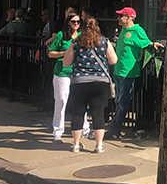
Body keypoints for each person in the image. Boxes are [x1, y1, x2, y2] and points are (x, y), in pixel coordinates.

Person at [62, 16, 118, 153]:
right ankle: (99, 145)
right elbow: (113, 60)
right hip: (100, 82)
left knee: (78, 113)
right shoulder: (104, 42)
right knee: (98, 113)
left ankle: (76, 144)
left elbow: (66, 63)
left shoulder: (76, 42)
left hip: (79, 82)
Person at [106, 7, 163, 139]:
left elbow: (147, 42)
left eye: (121, 16)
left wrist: (153, 44)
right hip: (119, 71)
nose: (118, 18)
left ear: (128, 17)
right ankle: (115, 127)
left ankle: (114, 129)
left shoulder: (137, 30)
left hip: (128, 73)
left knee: (123, 102)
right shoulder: (123, 31)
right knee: (118, 101)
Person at [47, 12, 90, 142]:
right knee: (61, 101)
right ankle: (57, 131)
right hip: (62, 73)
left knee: (81, 102)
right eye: (73, 22)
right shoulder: (61, 35)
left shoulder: (82, 36)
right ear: (68, 22)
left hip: (78, 72)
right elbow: (51, 53)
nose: (76, 24)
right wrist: (64, 53)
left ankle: (85, 129)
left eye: (78, 22)